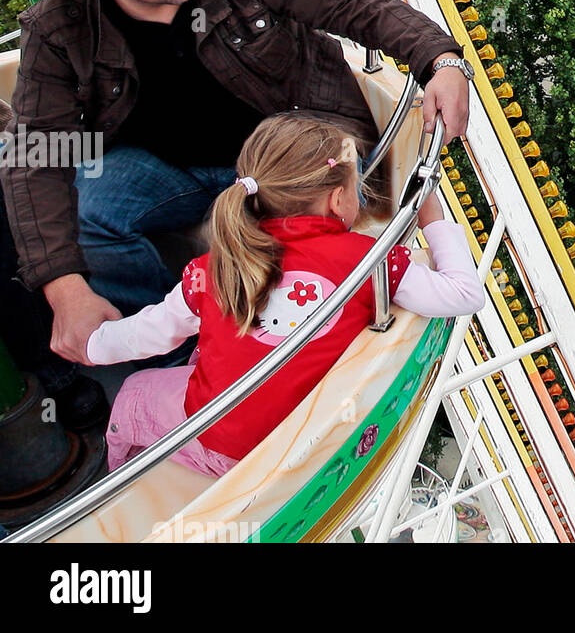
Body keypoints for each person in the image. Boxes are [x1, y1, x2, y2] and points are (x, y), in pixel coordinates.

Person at [0, 0, 474, 376]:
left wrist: (441, 60)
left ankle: (286, 355)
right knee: (88, 208)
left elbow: (351, 6)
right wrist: (63, 287)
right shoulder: (60, 29)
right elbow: (35, 154)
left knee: (301, 233)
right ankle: (178, 355)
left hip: (286, 152)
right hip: (166, 167)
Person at [86, 114, 486, 475]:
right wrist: (431, 213)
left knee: (136, 390)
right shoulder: (369, 260)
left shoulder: (211, 269)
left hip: (223, 452)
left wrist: (93, 346)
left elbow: (146, 336)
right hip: (302, 455)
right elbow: (464, 294)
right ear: (337, 199)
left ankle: (120, 468)